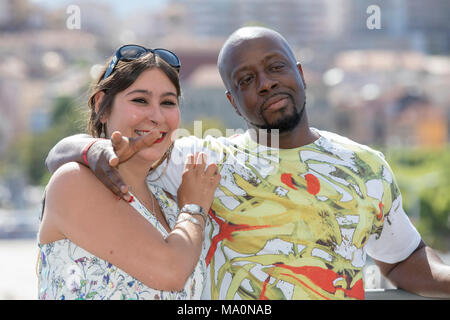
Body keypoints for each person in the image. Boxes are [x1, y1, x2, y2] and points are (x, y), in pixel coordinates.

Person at [46, 27, 450, 300]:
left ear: (301, 74)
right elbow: (75, 156)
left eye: (276, 67)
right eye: (245, 80)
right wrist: (91, 149)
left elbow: (403, 258)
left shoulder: (366, 166)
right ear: (231, 102)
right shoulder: (198, 162)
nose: (266, 83)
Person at [37, 45, 221, 300]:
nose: (156, 116)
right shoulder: (74, 182)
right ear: (102, 105)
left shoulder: (169, 201)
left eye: (168, 102)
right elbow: (170, 272)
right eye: (140, 100)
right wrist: (194, 208)